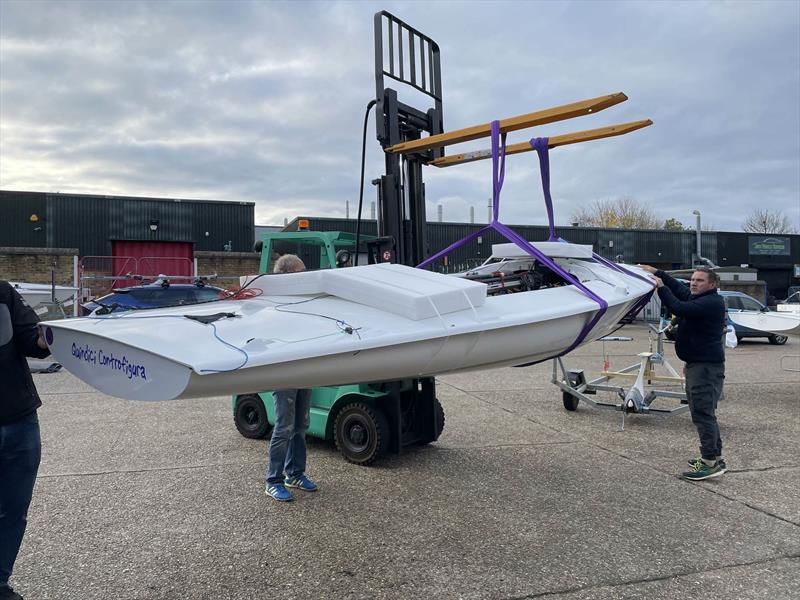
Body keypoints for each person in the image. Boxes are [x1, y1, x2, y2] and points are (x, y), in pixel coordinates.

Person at [639, 265, 727, 480]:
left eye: (700, 280)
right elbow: (680, 290)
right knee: (704, 413)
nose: (694, 283)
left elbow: (678, 306)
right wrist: (659, 273)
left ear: (712, 285)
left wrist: (660, 288)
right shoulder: (701, 298)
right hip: (699, 364)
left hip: (705, 368)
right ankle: (714, 457)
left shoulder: (711, 303)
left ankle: (709, 463)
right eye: (693, 279)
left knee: (702, 414)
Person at [1, 281, 51, 600]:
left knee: (12, 510)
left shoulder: (3, 294)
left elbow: (33, 342)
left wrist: (55, 336)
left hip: (19, 421)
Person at [264, 255, 318, 502]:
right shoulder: (273, 303)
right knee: (284, 427)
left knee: (301, 425)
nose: (306, 274)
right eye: (301, 271)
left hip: (303, 369)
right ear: (288, 274)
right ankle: (273, 480)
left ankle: (294, 473)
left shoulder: (303, 300)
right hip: (284, 371)